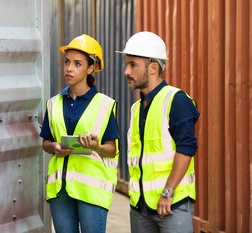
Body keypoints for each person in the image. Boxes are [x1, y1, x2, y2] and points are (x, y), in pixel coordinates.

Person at [116, 31, 200, 233]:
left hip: (172, 205)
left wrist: (168, 191)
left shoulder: (176, 100)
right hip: (140, 207)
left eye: (133, 65)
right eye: (127, 64)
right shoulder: (136, 108)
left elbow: (186, 149)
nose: (126, 71)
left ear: (153, 68)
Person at [40, 34, 120, 233]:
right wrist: (55, 147)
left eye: (77, 64)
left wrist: (95, 147)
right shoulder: (53, 103)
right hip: (60, 190)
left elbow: (112, 150)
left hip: (91, 190)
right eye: (67, 62)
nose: (69, 68)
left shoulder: (104, 104)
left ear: (90, 68)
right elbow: (46, 142)